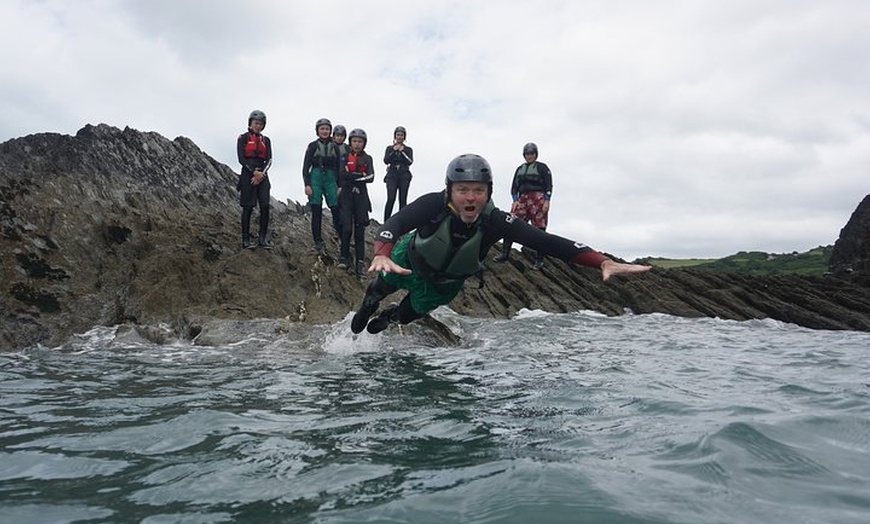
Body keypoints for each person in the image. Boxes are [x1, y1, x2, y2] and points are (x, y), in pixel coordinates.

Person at [351, 153, 651, 335]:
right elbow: (397, 223)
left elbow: (547, 242)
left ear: (488, 191)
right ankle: (369, 306)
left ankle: (390, 316)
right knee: (378, 290)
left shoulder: (495, 221)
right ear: (450, 190)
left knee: (404, 316)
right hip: (408, 263)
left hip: (444, 285)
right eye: (463, 189)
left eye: (478, 190)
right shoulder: (433, 204)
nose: (471, 197)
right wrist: (383, 253)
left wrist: (602, 261)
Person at [493, 142, 552, 269]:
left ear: (536, 154)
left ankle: (539, 260)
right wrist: (515, 200)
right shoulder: (520, 169)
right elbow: (514, 187)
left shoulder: (542, 168)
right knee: (510, 223)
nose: (529, 156)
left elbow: (548, 184)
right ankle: (505, 254)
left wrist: (547, 200)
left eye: (531, 153)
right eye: (527, 154)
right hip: (522, 199)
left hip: (538, 199)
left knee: (539, 229)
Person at [337, 128, 375, 276]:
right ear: (350, 142)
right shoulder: (344, 157)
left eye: (360, 141)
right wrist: (360, 175)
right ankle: (343, 257)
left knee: (360, 231)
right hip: (346, 195)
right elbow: (342, 174)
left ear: (364, 143)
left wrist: (352, 175)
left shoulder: (368, 158)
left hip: (361, 197)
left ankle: (360, 263)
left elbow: (371, 177)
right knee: (346, 228)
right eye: (354, 141)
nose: (357, 144)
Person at [302, 118, 341, 252]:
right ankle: (318, 241)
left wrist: (339, 185)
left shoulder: (335, 147)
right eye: (322, 129)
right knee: (316, 209)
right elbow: (305, 166)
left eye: (327, 129)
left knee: (336, 209)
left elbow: (339, 167)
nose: (325, 131)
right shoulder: (312, 146)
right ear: (317, 131)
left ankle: (341, 237)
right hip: (316, 178)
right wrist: (307, 184)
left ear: (330, 131)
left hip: (331, 179)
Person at [236, 109, 273, 250]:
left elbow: (269, 160)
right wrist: (253, 172)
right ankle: (245, 239)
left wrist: (261, 174)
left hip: (263, 173)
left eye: (261, 124)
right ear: (250, 123)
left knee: (265, 206)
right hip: (247, 172)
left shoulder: (266, 140)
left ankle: (262, 239)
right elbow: (241, 158)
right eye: (256, 123)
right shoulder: (243, 138)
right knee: (248, 207)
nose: (258, 126)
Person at [383, 125, 414, 221]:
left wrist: (403, 152)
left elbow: (410, 161)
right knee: (391, 198)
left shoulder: (408, 149)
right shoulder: (389, 148)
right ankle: (386, 221)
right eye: (398, 135)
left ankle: (403, 222)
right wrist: (393, 151)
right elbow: (386, 160)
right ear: (394, 136)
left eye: (401, 135)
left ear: (404, 137)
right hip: (392, 174)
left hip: (404, 175)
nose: (399, 137)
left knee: (402, 199)